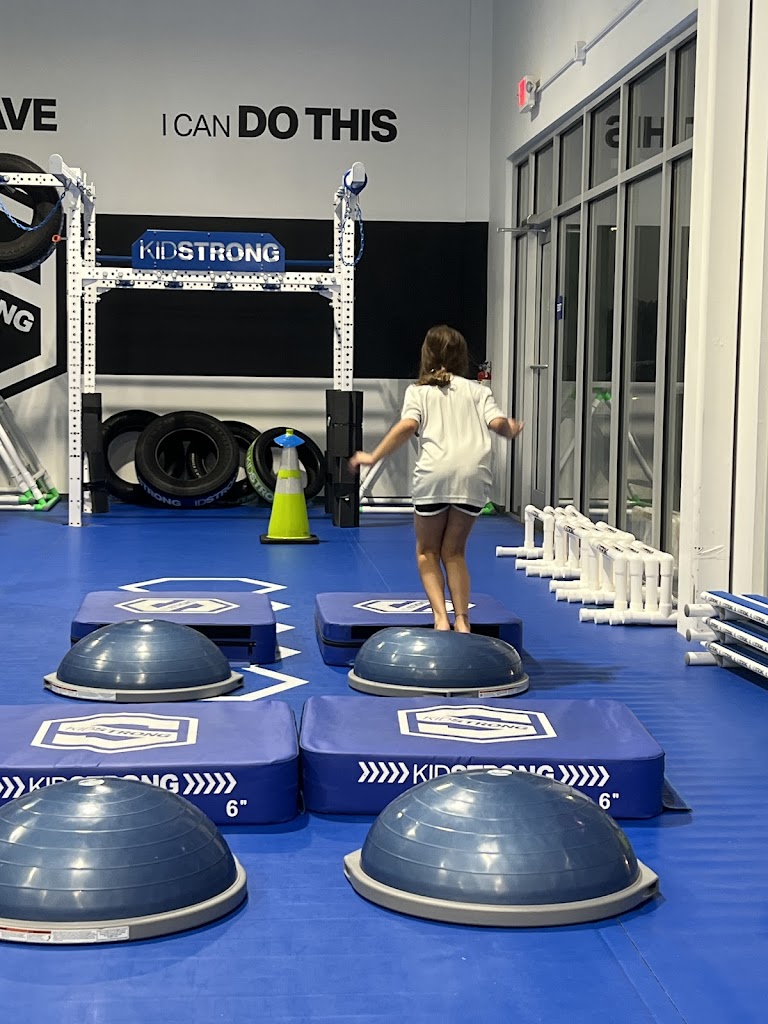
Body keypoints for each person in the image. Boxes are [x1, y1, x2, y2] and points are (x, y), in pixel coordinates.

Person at [349, 324, 524, 633]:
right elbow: (498, 423)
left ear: (426, 355)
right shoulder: (479, 391)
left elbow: (407, 426)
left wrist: (373, 456)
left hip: (435, 474)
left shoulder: (418, 392)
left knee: (427, 551)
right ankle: (463, 621)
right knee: (454, 552)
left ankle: (441, 619)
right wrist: (510, 428)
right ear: (462, 357)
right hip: (472, 475)